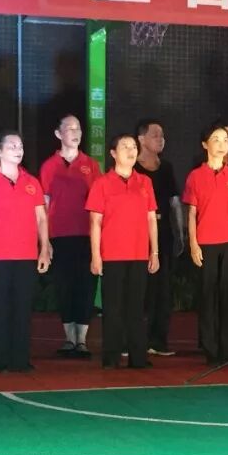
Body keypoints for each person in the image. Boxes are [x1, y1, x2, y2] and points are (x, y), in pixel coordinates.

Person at [0, 131, 51, 373]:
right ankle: (1, 358)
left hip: (26, 256)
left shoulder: (32, 182)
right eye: (12, 146)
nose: (18, 150)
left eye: (20, 146)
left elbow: (41, 218)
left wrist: (44, 249)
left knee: (22, 308)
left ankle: (21, 358)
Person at [86, 133, 160, 369]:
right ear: (113, 153)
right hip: (112, 254)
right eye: (125, 146)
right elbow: (95, 222)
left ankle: (138, 357)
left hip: (139, 254)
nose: (131, 150)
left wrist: (154, 252)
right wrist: (96, 255)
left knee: (136, 307)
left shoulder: (145, 182)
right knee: (113, 308)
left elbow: (151, 219)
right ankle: (111, 357)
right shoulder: (102, 183)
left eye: (133, 147)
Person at [183, 123, 228, 364]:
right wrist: (193, 244)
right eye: (216, 139)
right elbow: (191, 213)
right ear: (205, 144)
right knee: (208, 295)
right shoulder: (195, 176)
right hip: (206, 243)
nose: (222, 144)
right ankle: (210, 348)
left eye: (225, 140)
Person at [40, 114, 101, 358]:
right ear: (58, 134)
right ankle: (69, 338)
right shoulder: (49, 166)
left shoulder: (91, 165)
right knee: (64, 286)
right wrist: (44, 241)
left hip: (86, 235)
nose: (75, 133)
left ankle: (82, 340)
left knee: (85, 285)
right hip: (59, 236)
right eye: (70, 128)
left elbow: (98, 204)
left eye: (78, 129)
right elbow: (43, 205)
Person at [135, 119, 184, 357]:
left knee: (162, 289)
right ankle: (136, 340)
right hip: (137, 234)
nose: (161, 139)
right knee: (140, 288)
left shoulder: (167, 168)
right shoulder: (133, 168)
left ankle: (158, 340)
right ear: (141, 139)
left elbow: (175, 202)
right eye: (155, 135)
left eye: (162, 135)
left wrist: (180, 232)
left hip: (163, 233)